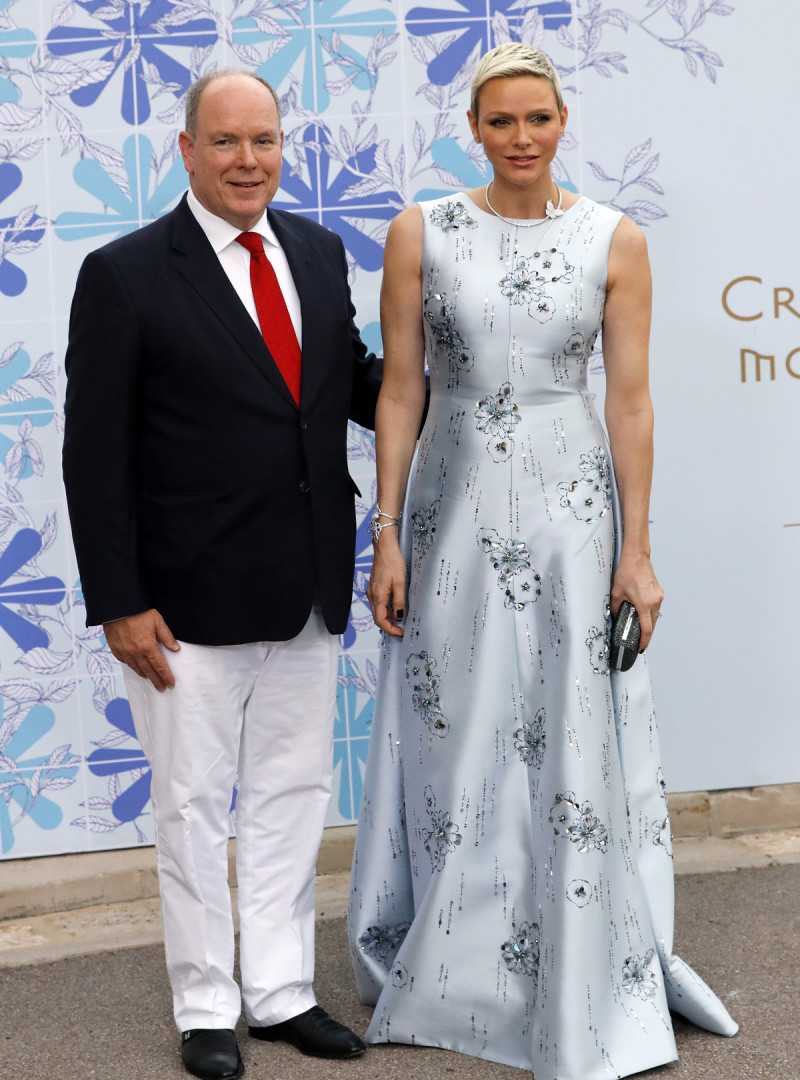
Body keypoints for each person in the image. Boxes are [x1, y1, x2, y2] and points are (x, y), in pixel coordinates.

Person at [347, 42, 737, 1080]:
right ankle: (461, 967)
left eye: (537, 119)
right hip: (452, 508)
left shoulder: (613, 238)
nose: (520, 138)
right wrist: (383, 532)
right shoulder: (419, 231)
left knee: (566, 725)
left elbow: (629, 399)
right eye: (500, 121)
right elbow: (397, 391)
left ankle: (577, 957)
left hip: (572, 513)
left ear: (562, 123)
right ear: (471, 129)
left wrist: (637, 549)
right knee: (459, 728)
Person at [62, 70, 380, 1080]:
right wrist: (117, 598)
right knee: (194, 807)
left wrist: (464, 368)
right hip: (180, 605)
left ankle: (281, 992)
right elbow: (93, 454)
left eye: (265, 141)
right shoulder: (123, 274)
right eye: (227, 142)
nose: (249, 160)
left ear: (282, 148)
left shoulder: (321, 254)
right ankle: (206, 1006)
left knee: (291, 794)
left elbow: (355, 387)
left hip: (305, 585)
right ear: (187, 150)